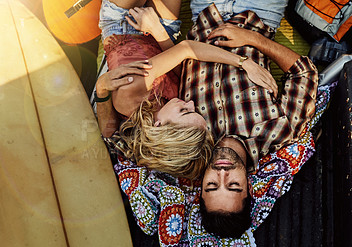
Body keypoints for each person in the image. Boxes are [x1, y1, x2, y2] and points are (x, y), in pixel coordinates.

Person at [178, 3, 318, 238]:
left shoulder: (188, 139)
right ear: (249, 188)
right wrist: (251, 38)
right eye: (233, 185)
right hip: (257, 12)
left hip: (204, 13)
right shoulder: (279, 133)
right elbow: (304, 73)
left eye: (212, 185)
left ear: (200, 190)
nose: (222, 173)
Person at [95, 0, 276, 180]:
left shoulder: (132, 91)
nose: (190, 103)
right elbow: (181, 70)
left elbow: (186, 49)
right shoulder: (164, 113)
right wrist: (158, 29)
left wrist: (244, 63)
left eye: (184, 111)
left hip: (123, 25)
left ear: (159, 127)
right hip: (162, 31)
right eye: (193, 110)